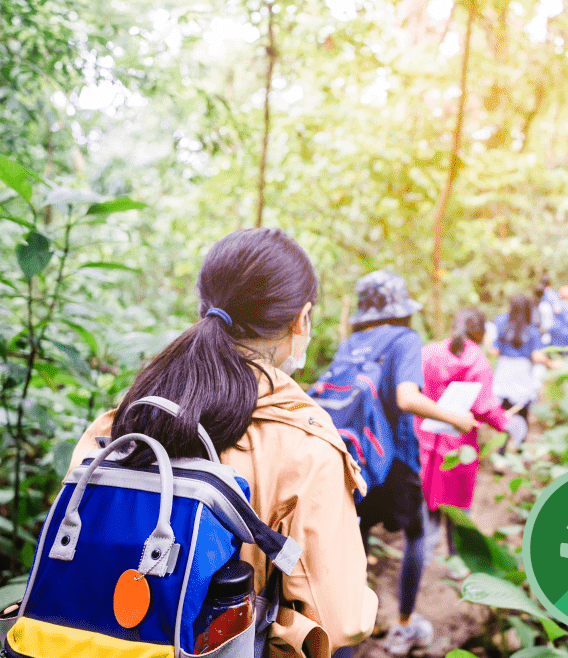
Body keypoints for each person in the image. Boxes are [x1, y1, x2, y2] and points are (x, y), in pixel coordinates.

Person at [68, 228, 376, 658]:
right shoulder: (305, 446)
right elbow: (337, 619)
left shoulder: (129, 415)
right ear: (300, 320)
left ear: (204, 307)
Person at [340, 271, 478, 655]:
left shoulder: (351, 343)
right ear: (400, 309)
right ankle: (403, 625)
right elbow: (406, 398)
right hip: (395, 462)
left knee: (356, 540)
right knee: (416, 534)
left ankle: (352, 624)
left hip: (354, 461)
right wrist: (456, 419)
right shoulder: (404, 339)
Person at [416, 309, 509, 564]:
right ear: (480, 332)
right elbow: (484, 406)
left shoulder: (428, 353)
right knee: (458, 511)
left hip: (425, 444)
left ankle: (421, 564)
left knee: (427, 508)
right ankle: (458, 564)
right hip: (458, 450)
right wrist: (503, 423)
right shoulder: (478, 361)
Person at [490, 295, 558, 458]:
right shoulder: (531, 329)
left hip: (504, 371)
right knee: (522, 412)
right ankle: (519, 453)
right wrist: (551, 363)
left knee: (504, 414)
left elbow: (494, 351)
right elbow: (536, 355)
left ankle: (500, 455)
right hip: (523, 373)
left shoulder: (501, 322)